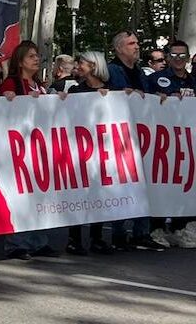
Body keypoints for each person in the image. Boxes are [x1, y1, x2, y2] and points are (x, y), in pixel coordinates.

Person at [0, 41, 60, 260]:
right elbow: (3, 111)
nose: (36, 59)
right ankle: (17, 243)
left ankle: (38, 241)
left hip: (40, 148)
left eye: (37, 56)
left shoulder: (39, 85)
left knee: (40, 196)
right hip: (19, 148)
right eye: (32, 56)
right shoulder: (11, 84)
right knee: (20, 197)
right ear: (21, 60)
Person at [106, 31, 165, 252]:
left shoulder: (140, 72)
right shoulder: (112, 70)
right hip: (121, 136)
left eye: (137, 43)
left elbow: (147, 96)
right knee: (123, 182)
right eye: (132, 43)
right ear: (120, 48)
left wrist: (158, 98)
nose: (136, 46)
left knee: (144, 182)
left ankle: (142, 232)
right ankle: (119, 233)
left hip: (141, 135)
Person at [144, 40, 196, 248]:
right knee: (161, 183)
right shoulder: (156, 79)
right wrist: (156, 100)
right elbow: (143, 103)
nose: (178, 59)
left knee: (186, 183)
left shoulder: (194, 80)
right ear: (167, 57)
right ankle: (155, 228)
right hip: (163, 142)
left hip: (189, 143)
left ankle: (180, 228)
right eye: (174, 55)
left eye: (182, 55)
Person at [63, 51, 114, 256]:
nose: (78, 65)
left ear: (93, 66)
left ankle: (96, 237)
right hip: (79, 150)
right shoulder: (76, 91)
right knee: (78, 193)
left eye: (81, 62)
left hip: (102, 149)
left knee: (99, 194)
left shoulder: (111, 92)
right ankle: (74, 239)